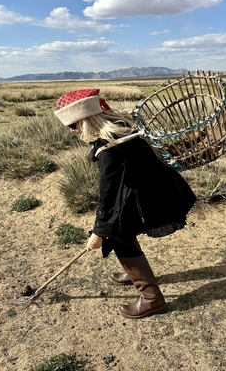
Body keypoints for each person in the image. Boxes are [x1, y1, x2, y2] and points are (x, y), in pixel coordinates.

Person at [54, 88, 196, 319]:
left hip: (151, 194)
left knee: (117, 232)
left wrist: (99, 232)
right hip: (151, 188)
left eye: (73, 126)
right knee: (121, 227)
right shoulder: (122, 127)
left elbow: (109, 195)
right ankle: (134, 273)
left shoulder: (110, 150)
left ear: (87, 121)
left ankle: (152, 298)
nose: (73, 132)